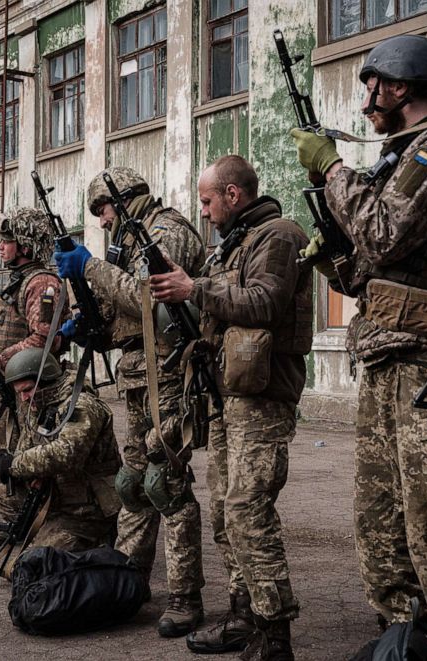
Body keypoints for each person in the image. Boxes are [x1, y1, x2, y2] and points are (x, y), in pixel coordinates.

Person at [289, 35, 427, 660]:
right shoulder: (401, 156)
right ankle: (407, 641)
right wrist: (332, 254)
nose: (365, 102)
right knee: (380, 521)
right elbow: (366, 270)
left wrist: (332, 168)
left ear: (401, 86)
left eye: (371, 87)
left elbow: (382, 232)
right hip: (387, 358)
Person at [149, 155, 312, 661]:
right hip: (226, 395)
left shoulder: (280, 234)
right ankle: (243, 614)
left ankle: (275, 634)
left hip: (262, 398)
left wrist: (194, 287)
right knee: (224, 512)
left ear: (232, 195)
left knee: (248, 509)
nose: (203, 212)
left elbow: (264, 301)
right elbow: (218, 307)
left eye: (206, 201)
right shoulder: (234, 243)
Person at [55, 166, 207, 637]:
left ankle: (185, 596)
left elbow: (148, 296)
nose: (101, 222)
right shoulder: (130, 243)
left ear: (123, 201)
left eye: (102, 211)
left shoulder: (167, 232)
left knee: (167, 482)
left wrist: (91, 268)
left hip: (171, 379)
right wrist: (89, 326)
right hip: (140, 378)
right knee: (133, 483)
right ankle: (129, 579)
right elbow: (127, 320)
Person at [0, 347, 121, 551]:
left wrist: (15, 464)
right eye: (19, 392)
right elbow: (27, 446)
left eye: (27, 390)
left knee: (35, 566)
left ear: (46, 381)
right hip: (57, 497)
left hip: (87, 507)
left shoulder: (81, 405)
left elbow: (67, 453)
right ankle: (49, 531)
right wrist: (8, 463)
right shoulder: (39, 404)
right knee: (1, 495)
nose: (23, 398)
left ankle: (94, 537)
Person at [0, 208, 65, 458]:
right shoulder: (22, 281)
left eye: (6, 241)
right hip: (16, 382)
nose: (0, 247)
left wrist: (1, 359)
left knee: (30, 455)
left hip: (34, 387)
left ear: (24, 245)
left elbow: (45, 339)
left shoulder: (41, 283)